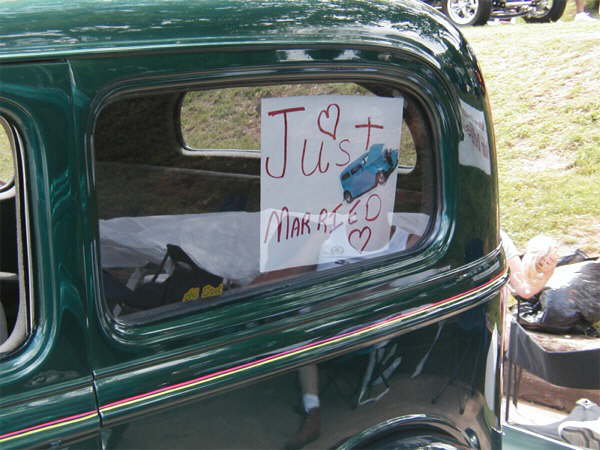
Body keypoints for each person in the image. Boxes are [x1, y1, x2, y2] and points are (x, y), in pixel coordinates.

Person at [501, 230, 558, 300]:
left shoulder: (501, 240)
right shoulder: (501, 239)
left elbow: (525, 290)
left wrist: (547, 272)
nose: (545, 262)